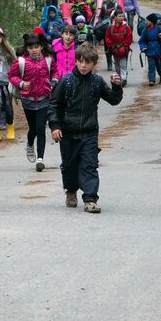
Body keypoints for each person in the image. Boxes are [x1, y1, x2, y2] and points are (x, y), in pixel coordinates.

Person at [49, 42, 124, 213]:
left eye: (88, 62)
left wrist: (117, 86)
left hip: (89, 133)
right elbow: (54, 105)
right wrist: (55, 126)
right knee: (69, 166)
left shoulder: (97, 82)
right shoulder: (66, 81)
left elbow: (113, 99)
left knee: (89, 165)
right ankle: (71, 190)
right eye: (81, 61)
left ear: (93, 64)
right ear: (76, 61)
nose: (84, 66)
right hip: (67, 132)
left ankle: (90, 198)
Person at [9, 32, 55, 171]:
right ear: (27, 48)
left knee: (41, 128)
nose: (34, 49)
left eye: (36, 46)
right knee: (33, 129)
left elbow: (55, 72)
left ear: (41, 47)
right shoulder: (21, 61)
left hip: (44, 98)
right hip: (27, 100)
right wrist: (21, 83)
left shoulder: (48, 59)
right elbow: (11, 75)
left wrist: (53, 81)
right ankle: (30, 144)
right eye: (31, 47)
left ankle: (40, 158)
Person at [103, 9, 135, 83]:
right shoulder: (110, 27)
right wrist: (111, 46)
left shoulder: (127, 27)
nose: (121, 18)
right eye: (119, 16)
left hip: (123, 50)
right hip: (114, 50)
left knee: (123, 65)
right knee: (117, 65)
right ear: (115, 17)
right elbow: (107, 38)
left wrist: (124, 46)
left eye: (122, 16)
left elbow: (129, 38)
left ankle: (123, 79)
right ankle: (119, 79)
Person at [140, 12, 161, 86]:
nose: (146, 22)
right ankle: (151, 80)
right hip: (149, 51)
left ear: (152, 22)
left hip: (158, 51)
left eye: (147, 20)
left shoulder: (158, 29)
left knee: (159, 66)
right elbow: (141, 41)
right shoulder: (145, 30)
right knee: (151, 66)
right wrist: (143, 47)